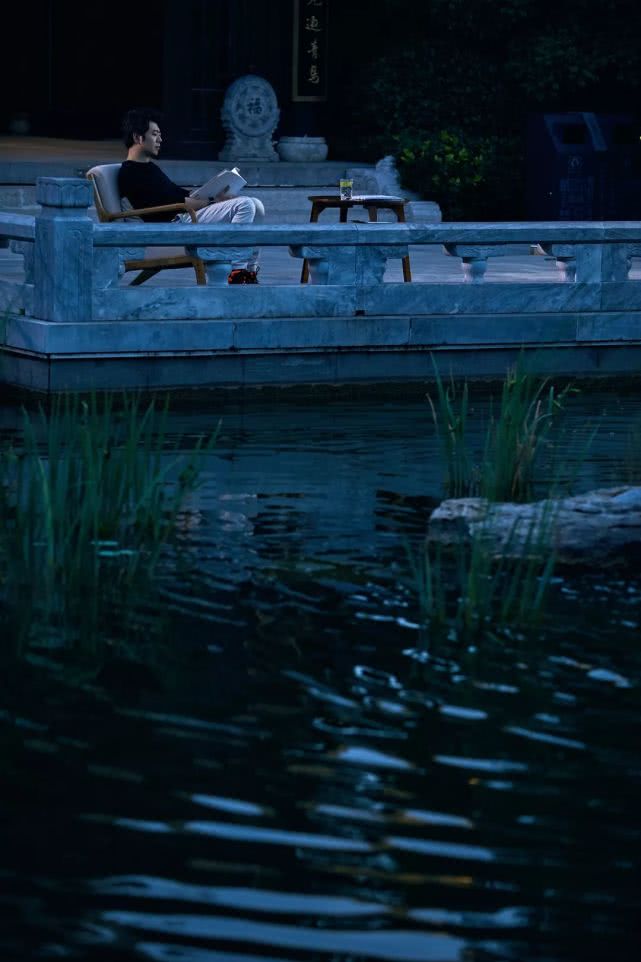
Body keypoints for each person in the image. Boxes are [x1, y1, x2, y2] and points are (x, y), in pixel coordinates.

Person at [118, 107, 265, 284]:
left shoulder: (150, 168)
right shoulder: (130, 172)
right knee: (245, 204)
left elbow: (176, 193)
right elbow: (166, 204)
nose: (160, 140)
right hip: (170, 227)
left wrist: (212, 194)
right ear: (137, 137)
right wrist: (210, 201)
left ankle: (250, 272)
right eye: (155, 134)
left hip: (182, 218)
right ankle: (237, 272)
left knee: (257, 205)